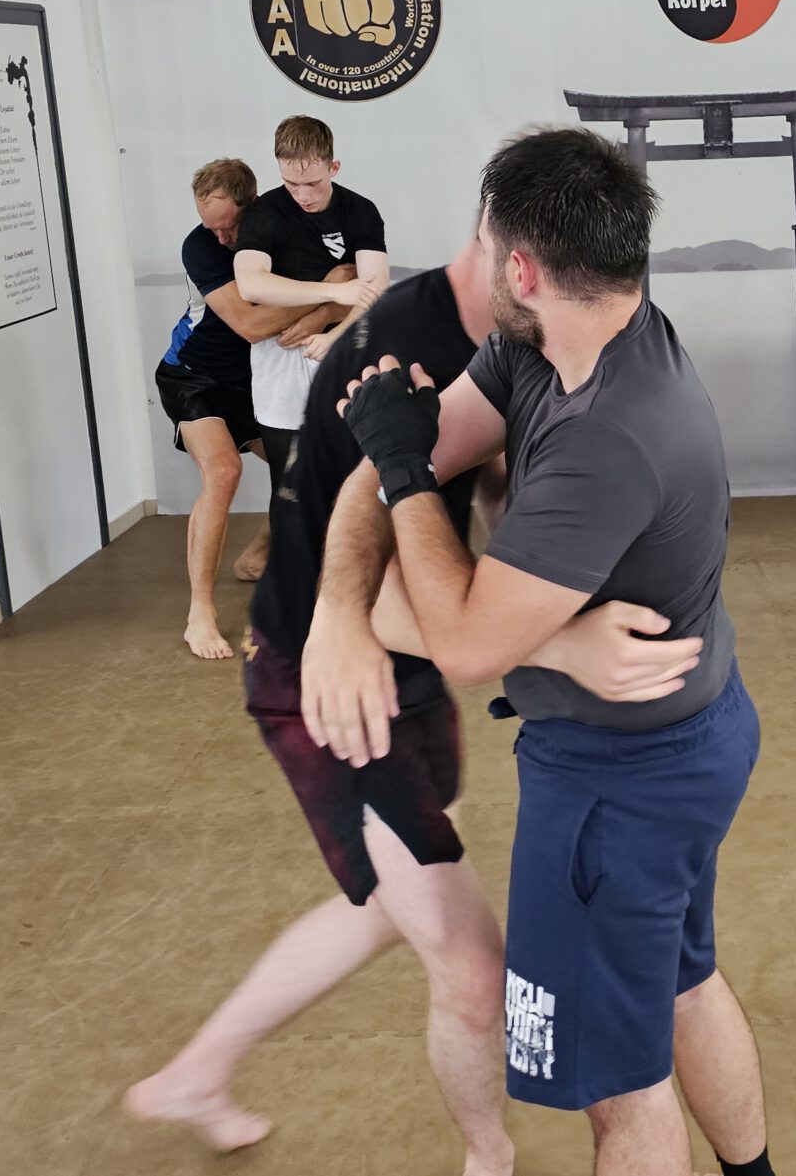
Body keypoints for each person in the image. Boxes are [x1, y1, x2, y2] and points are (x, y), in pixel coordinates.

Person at [126, 223, 703, 1165]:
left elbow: (482, 494)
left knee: (390, 900)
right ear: (518, 262)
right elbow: (379, 571)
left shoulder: (505, 338)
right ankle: (488, 1156)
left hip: (413, 659)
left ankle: (198, 1070)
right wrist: (559, 641)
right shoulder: (413, 343)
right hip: (335, 673)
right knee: (471, 966)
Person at [307, 128, 778, 1176]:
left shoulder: (610, 435)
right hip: (687, 737)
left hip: (618, 786)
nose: (469, 263)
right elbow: (415, 454)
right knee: (681, 982)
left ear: (521, 270)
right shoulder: (560, 336)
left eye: (482, 245)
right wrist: (353, 597)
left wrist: (394, 469)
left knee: (621, 1090)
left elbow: (460, 638)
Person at [154, 158, 345, 659]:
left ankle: (257, 555)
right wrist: (326, 293)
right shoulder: (201, 246)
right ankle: (199, 613)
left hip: (251, 382)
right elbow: (250, 324)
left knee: (305, 472)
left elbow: (352, 284)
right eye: (211, 227)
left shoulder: (283, 231)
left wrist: (328, 303)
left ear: (254, 206)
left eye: (230, 227)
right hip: (193, 377)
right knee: (222, 471)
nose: (221, 239)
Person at [230, 116, 387, 578]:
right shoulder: (265, 212)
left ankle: (353, 576)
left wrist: (331, 328)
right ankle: (296, 579)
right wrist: (332, 291)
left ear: (333, 167)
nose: (303, 194)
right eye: (292, 183)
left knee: (355, 472)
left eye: (313, 183)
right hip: (282, 360)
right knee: (289, 479)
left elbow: (374, 288)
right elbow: (252, 284)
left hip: (344, 353)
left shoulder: (359, 210)